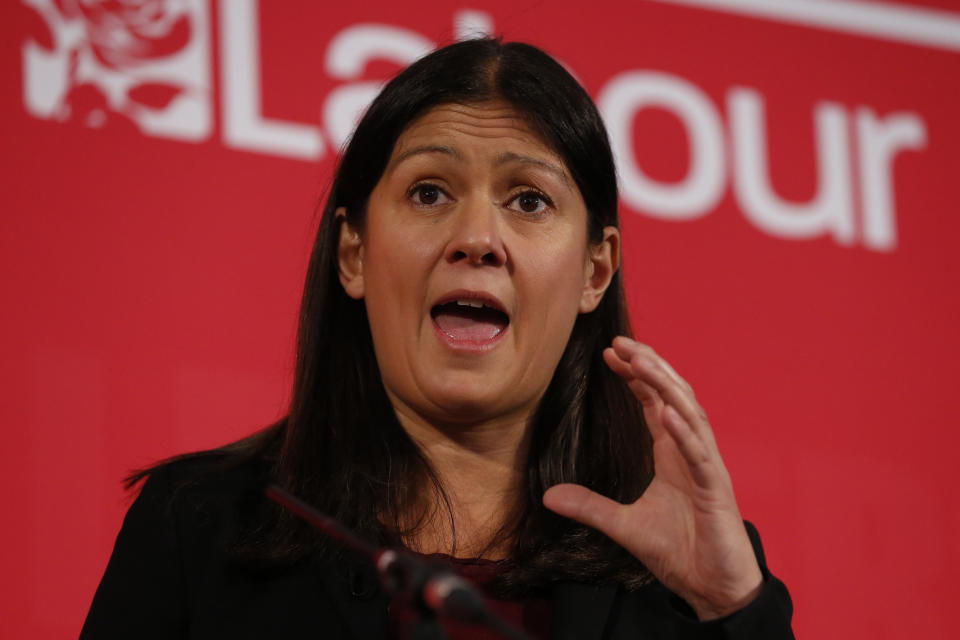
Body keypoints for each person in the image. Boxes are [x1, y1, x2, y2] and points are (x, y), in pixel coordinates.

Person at [80, 38, 794, 639]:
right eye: (430, 193)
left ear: (595, 270)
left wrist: (734, 609)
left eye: (528, 201)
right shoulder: (202, 525)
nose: (478, 239)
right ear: (354, 254)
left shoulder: (678, 576)